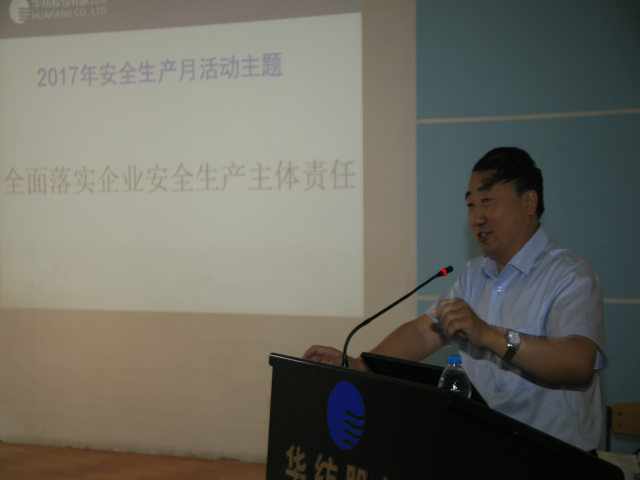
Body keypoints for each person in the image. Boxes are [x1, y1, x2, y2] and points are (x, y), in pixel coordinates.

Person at [303, 147, 606, 452]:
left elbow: (578, 363)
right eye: (471, 204)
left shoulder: (569, 274)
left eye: (487, 201)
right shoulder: (474, 274)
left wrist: (491, 335)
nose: (477, 217)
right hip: (483, 453)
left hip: (554, 460)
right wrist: (363, 366)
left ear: (529, 202)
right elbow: (424, 331)